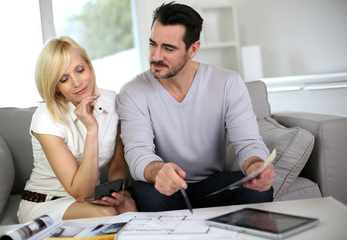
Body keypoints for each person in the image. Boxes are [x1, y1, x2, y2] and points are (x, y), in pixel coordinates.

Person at [117, 2, 275, 212]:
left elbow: (248, 143)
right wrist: (157, 171)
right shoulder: (132, 91)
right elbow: (137, 152)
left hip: (212, 185)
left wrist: (255, 165)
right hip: (165, 188)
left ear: (193, 49)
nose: (156, 56)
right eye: (153, 44)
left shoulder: (228, 82)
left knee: (259, 189)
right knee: (147, 192)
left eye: (168, 48)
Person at [17, 36, 136, 223]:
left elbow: (118, 165)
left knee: (127, 206)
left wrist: (116, 192)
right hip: (46, 201)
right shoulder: (45, 117)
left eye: (80, 70)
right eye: (64, 79)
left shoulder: (112, 101)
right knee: (106, 214)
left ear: (89, 66)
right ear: (55, 87)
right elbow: (81, 192)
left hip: (88, 200)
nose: (77, 82)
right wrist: (91, 129)